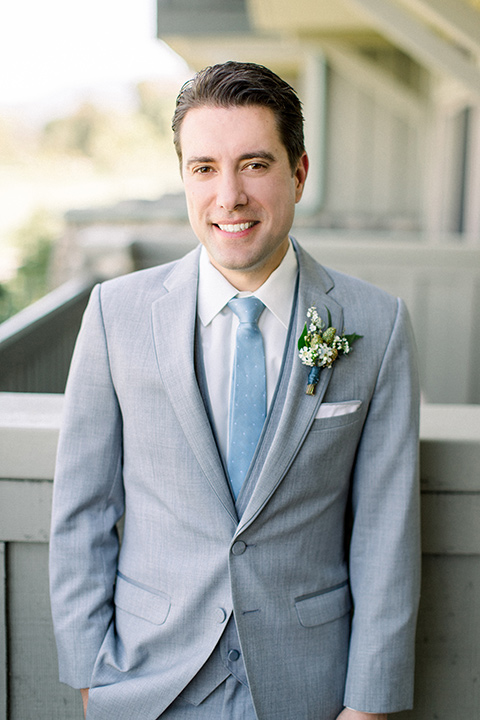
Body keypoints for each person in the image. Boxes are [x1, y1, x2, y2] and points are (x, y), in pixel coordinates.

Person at [49, 61, 421, 720]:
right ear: (184, 177)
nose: (229, 196)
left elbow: (386, 532)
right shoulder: (116, 314)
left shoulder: (376, 325)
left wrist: (370, 705)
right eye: (204, 168)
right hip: (146, 683)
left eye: (254, 164)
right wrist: (89, 677)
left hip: (311, 688)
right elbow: (82, 509)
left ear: (298, 173)